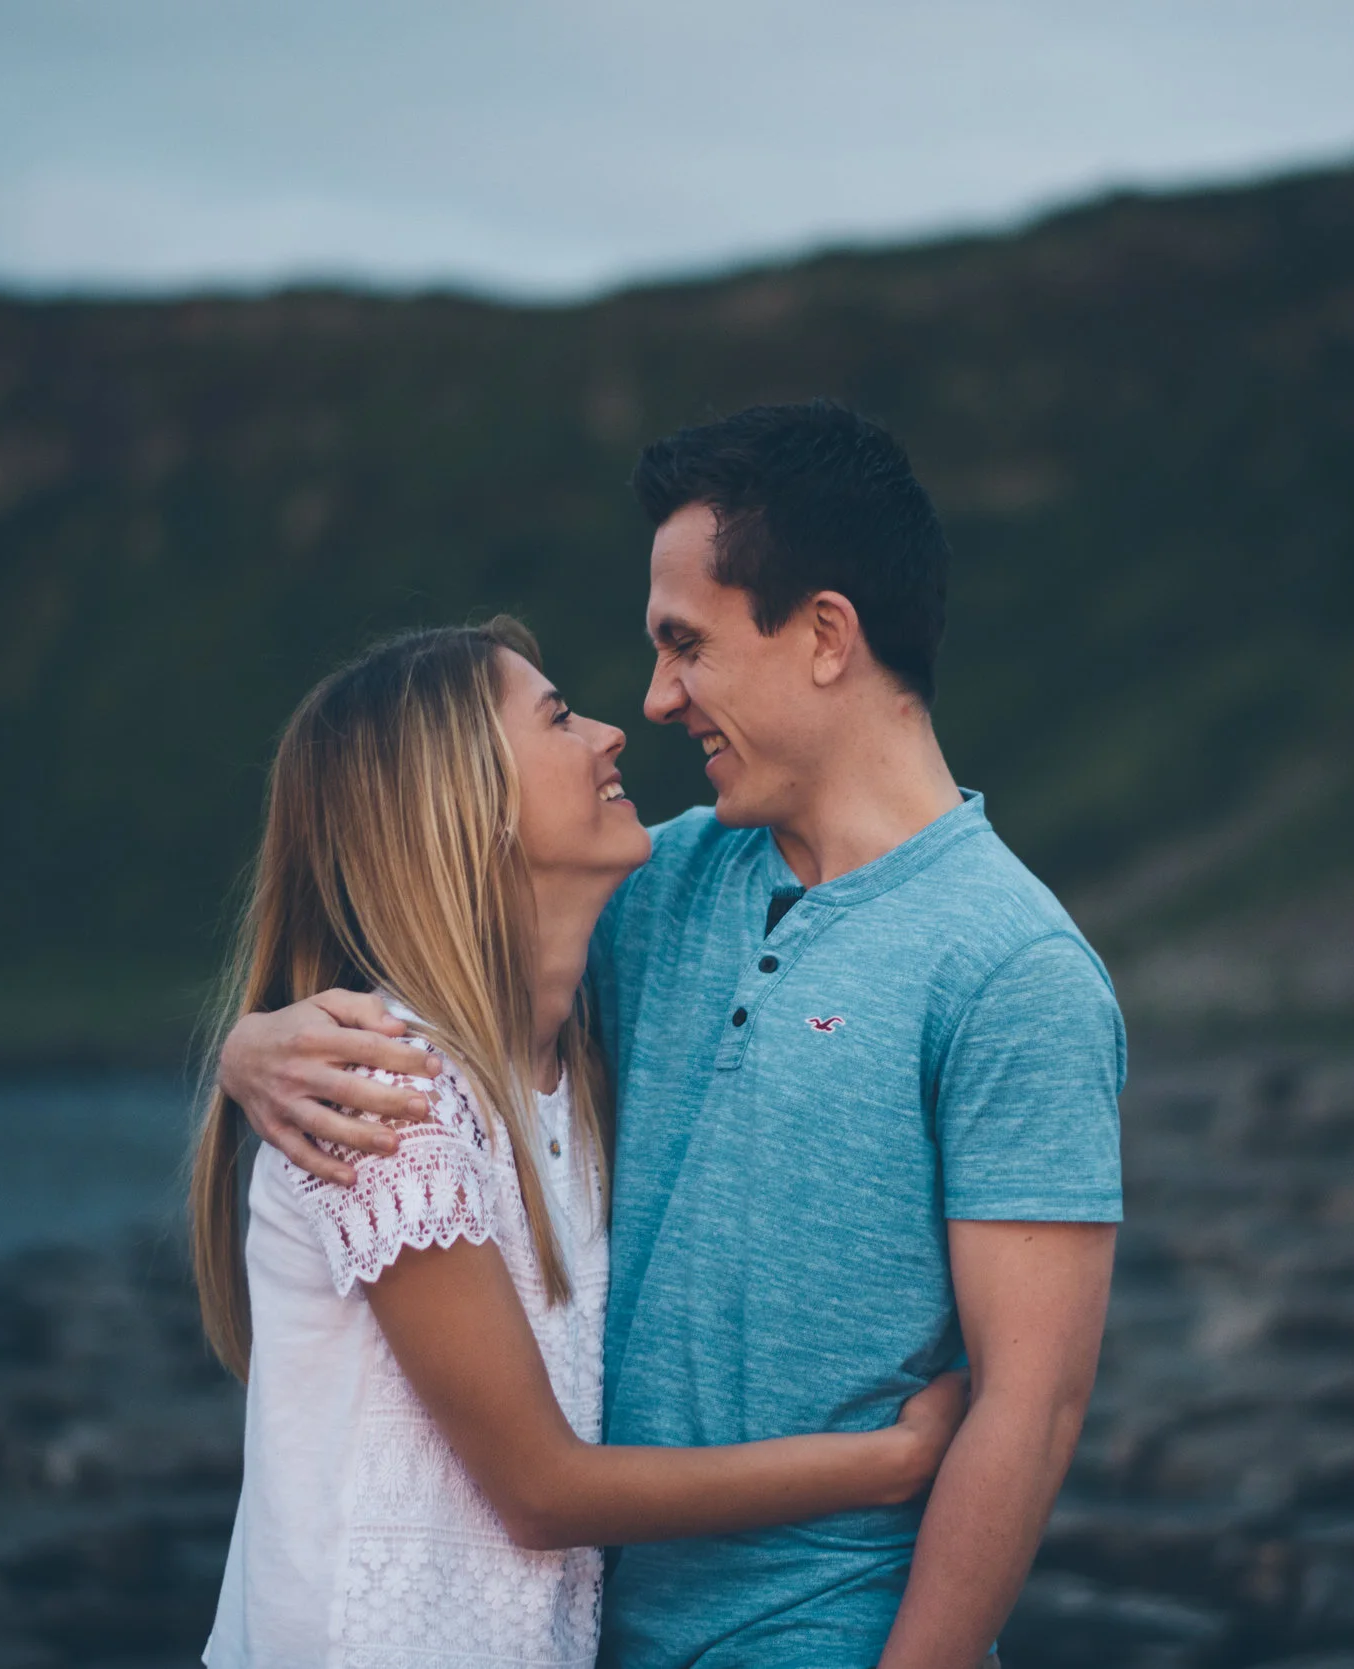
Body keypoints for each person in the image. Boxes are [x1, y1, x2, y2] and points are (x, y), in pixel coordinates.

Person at [223, 402, 1125, 1667]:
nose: (651, 701)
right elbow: (436, 942)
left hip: (822, 1631)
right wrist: (255, 1046)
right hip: (578, 1626)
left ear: (823, 637)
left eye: (684, 645)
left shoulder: (1014, 968)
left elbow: (1031, 1409)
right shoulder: (652, 881)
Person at [192, 617, 967, 1669]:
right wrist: (886, 1463)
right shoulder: (390, 1095)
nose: (611, 732)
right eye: (558, 717)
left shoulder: (572, 1065)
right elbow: (542, 1491)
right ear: (466, 805)